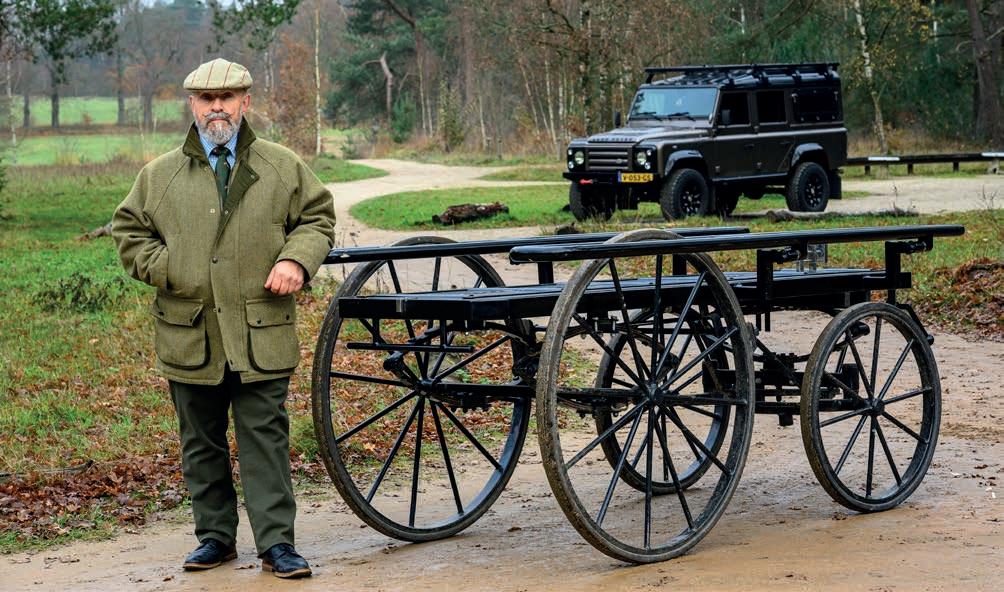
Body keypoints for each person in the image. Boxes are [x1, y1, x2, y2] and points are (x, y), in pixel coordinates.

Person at [112, 58, 335, 579]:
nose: (217, 108)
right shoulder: (159, 176)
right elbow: (129, 233)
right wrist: (171, 267)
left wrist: (296, 260)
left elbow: (318, 218)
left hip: (260, 331)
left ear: (245, 102)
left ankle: (277, 544)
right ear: (192, 105)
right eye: (207, 99)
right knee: (200, 441)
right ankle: (214, 537)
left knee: (265, 439)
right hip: (190, 333)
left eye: (227, 98)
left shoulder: (281, 165)